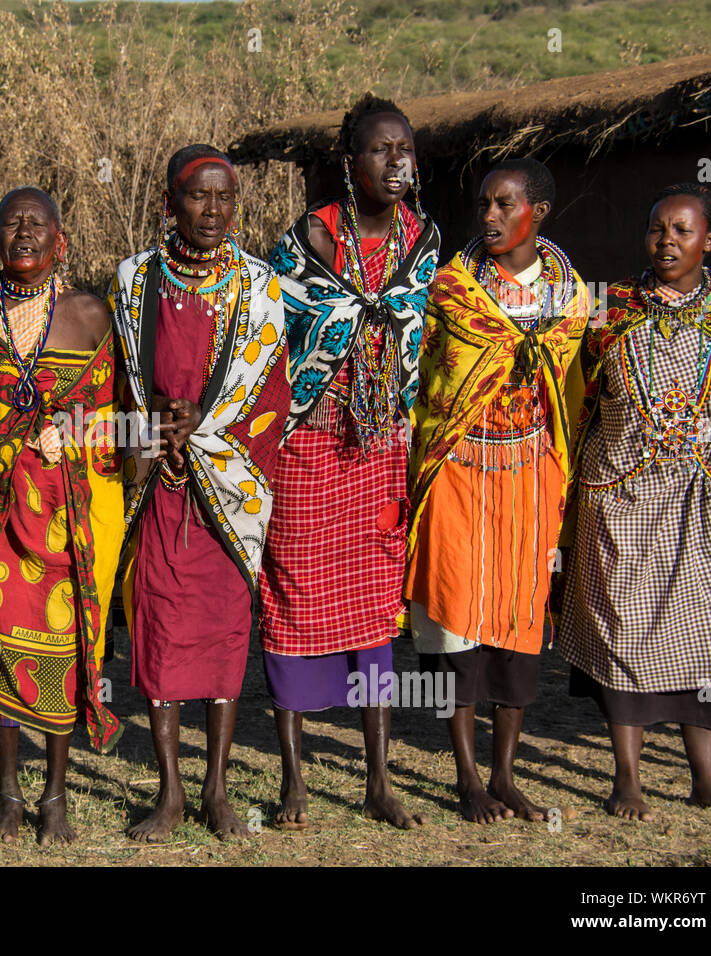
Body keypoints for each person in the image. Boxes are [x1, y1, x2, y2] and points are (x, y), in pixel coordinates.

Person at [260, 95, 440, 830]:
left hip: (381, 444)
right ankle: (295, 782)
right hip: (310, 440)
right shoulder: (306, 242)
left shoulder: (424, 240)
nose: (397, 163)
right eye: (380, 150)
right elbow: (269, 341)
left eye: (406, 150)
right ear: (348, 164)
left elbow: (420, 338)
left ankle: (378, 781)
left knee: (374, 606)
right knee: (293, 595)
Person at [0, 187, 124, 845]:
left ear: (61, 241)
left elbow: (113, 416)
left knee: (67, 648)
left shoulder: (93, 315)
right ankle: (9, 797)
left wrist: (72, 428)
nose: (24, 233)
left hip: (72, 510)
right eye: (11, 224)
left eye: (37, 224)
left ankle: (56, 799)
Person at [558, 183, 711, 821]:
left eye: (682, 231)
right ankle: (628, 780)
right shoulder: (606, 308)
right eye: (656, 229)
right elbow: (570, 386)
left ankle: (705, 777)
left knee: (706, 635)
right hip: (620, 493)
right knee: (624, 631)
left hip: (705, 498)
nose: (666, 241)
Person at [110, 144, 289, 841]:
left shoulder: (261, 288)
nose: (211, 210)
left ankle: (216, 788)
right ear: (169, 203)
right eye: (197, 196)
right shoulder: (134, 281)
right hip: (160, 479)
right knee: (156, 629)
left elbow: (272, 393)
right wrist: (152, 416)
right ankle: (171, 793)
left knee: (222, 634)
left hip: (228, 484)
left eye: (223, 198)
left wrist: (213, 427)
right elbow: (122, 377)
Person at [405, 156, 588, 824]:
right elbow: (421, 376)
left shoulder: (571, 300)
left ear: (537, 211)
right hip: (457, 469)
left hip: (530, 474)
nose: (488, 216)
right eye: (484, 203)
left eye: (504, 204)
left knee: (519, 621)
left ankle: (506, 774)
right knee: (455, 619)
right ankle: (465, 775)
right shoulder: (448, 289)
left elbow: (567, 397)